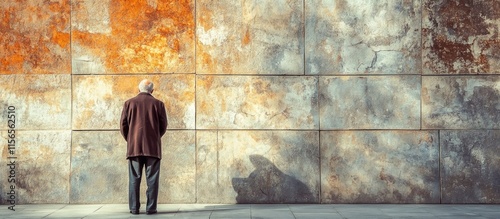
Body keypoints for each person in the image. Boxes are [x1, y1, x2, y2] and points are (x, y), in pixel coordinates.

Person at [120, 79, 168, 215]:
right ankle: (151, 208)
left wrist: (131, 140)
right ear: (152, 91)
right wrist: (154, 138)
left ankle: (134, 208)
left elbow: (123, 126)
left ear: (138, 89)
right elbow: (163, 126)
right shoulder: (159, 104)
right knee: (152, 179)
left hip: (134, 147)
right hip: (152, 148)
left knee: (134, 178)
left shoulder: (128, 103)